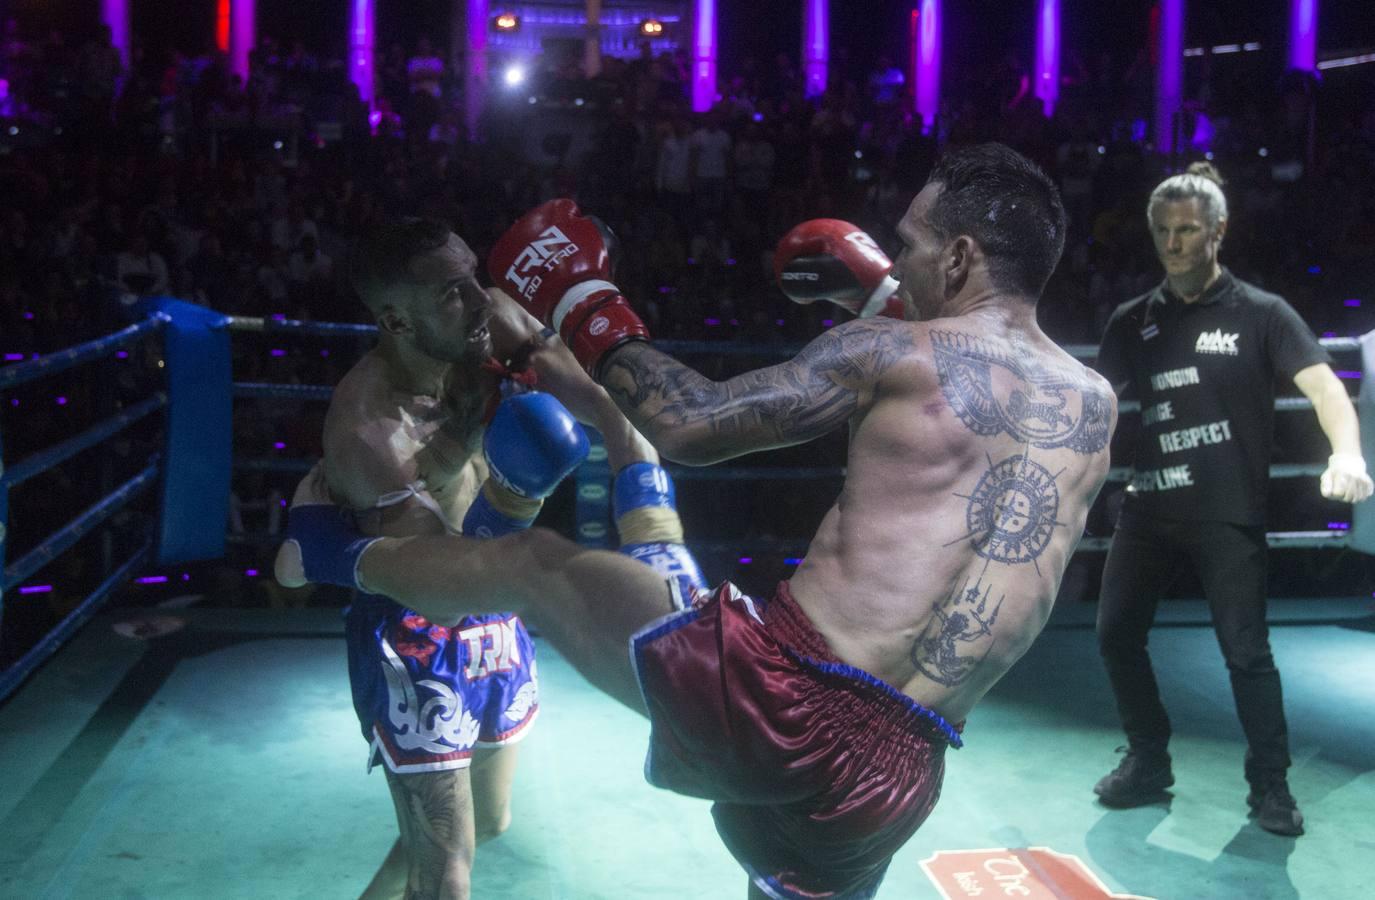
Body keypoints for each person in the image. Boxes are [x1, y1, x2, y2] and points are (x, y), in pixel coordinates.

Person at [284, 144, 1116, 899]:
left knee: (536, 564)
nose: (894, 261)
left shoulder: (884, 351)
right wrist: (888, 294)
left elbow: (692, 424)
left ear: (961, 256)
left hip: (779, 701)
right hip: (900, 770)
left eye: (909, 244)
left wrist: (586, 299)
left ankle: (340, 556)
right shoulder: (1092, 402)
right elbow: (979, 388)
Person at [277, 217, 683, 900]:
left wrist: (637, 481)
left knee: (490, 823)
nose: (479, 299)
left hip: (500, 601)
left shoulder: (483, 319)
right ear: (396, 322)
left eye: (472, 275)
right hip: (414, 631)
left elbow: (606, 410)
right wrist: (515, 494)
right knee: (444, 871)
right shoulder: (369, 434)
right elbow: (442, 584)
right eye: (449, 292)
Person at [1091, 162, 1372, 836]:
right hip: (1147, 508)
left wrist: (1346, 451)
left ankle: (1269, 787)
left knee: (1246, 653)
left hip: (1227, 512)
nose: (1173, 244)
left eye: (1187, 230)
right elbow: (1091, 409)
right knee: (1113, 635)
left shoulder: (1262, 313)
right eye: (1162, 231)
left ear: (1218, 232)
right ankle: (1148, 759)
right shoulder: (1131, 322)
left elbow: (1326, 389)